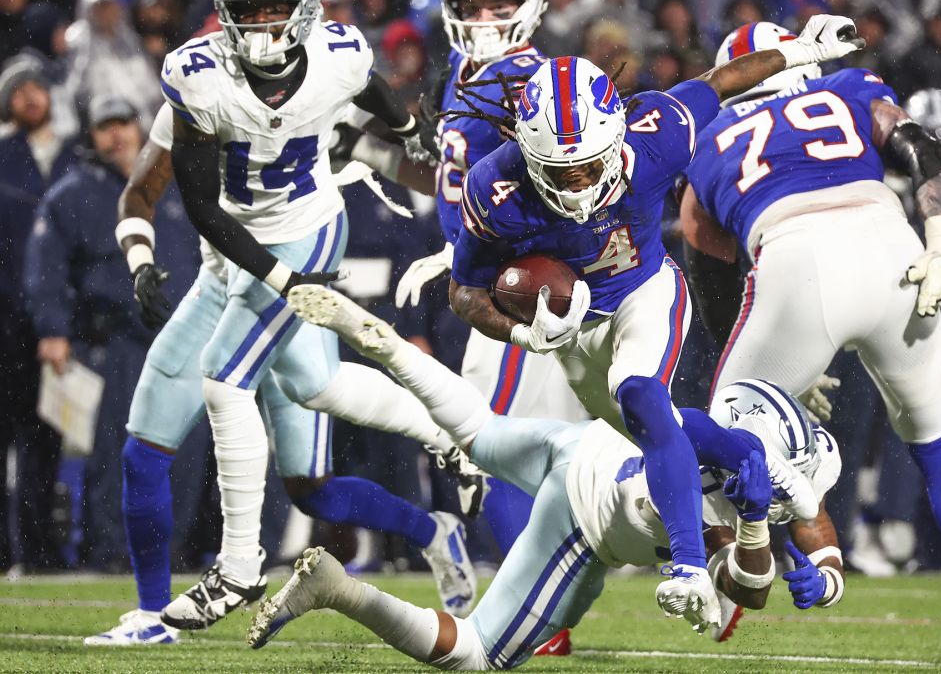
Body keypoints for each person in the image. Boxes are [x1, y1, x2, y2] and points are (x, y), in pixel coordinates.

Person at [446, 14, 862, 628]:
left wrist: (799, 50)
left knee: (641, 396)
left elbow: (721, 81)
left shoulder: (657, 132)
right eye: (559, 172)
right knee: (656, 427)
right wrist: (519, 332)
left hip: (646, 292)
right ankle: (751, 455)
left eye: (588, 165)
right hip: (572, 326)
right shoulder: (496, 186)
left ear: (616, 135)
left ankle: (688, 567)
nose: (578, 184)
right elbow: (464, 292)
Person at [249, 284, 846, 670]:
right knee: (475, 654)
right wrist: (750, 525)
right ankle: (337, 589)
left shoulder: (744, 443)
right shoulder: (723, 492)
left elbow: (807, 506)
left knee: (478, 431)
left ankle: (392, 353)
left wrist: (829, 573)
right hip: (584, 522)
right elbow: (750, 589)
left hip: (583, 442)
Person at [680, 22, 941, 664]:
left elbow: (709, 271)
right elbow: (921, 146)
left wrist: (778, 369)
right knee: (936, 441)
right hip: (893, 247)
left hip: (795, 263)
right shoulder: (845, 87)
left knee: (722, 433)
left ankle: (729, 579)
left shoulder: (708, 140)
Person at [155, 0, 466, 629]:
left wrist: (408, 125)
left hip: (308, 225)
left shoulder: (339, 53)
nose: (262, 23)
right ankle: (448, 432)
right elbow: (202, 205)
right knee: (316, 387)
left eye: (274, 9)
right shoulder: (197, 75)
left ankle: (237, 570)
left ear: (304, 10)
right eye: (249, 10)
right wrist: (276, 276)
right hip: (247, 243)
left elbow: (372, 87)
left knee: (222, 376)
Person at [85, 104, 476, 644]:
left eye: (270, 14)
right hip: (220, 287)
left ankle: (436, 506)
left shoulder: (318, 87)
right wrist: (139, 259)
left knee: (312, 481)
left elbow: (411, 168)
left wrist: (451, 157)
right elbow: (140, 190)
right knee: (143, 448)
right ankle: (154, 615)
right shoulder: (197, 92)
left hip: (289, 285)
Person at [375, 0, 589, 583]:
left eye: (501, 7)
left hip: (523, 280)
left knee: (487, 449)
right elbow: (454, 179)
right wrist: (371, 157)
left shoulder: (533, 83)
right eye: (472, 6)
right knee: (517, 453)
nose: (485, 21)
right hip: (481, 271)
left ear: (531, 6)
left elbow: (578, 180)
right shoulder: (461, 76)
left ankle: (540, 612)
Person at [22, 95, 198, 571]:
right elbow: (46, 270)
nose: (116, 135)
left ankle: (172, 549)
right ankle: (110, 552)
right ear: (92, 135)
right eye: (105, 127)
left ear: (140, 128)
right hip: (115, 343)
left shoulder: (175, 182)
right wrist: (54, 329)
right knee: (115, 454)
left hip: (185, 340)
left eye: (123, 123)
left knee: (185, 454)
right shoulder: (73, 193)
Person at [0, 58, 79, 571]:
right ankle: (11, 551)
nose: (30, 97)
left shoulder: (76, 154)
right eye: (18, 90)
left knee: (46, 439)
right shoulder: (3, 156)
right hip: (7, 319)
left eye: (36, 88)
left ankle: (40, 550)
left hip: (62, 323)